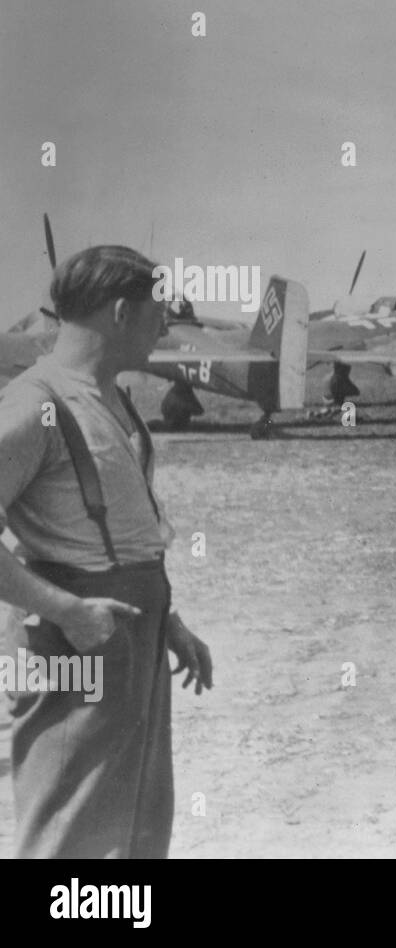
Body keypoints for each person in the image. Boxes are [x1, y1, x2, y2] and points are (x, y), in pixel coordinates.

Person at [0, 245, 213, 858]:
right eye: (158, 313)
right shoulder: (35, 404)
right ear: (122, 311)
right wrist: (65, 608)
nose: (165, 328)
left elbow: (118, 527)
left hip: (128, 630)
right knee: (70, 828)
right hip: (71, 641)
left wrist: (168, 621)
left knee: (137, 824)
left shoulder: (110, 397)